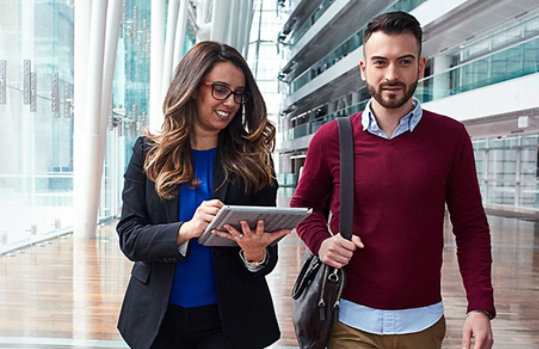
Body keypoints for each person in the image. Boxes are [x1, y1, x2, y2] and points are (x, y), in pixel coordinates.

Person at [290, 11, 495, 349]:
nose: (391, 74)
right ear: (363, 69)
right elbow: (303, 206)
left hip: (423, 324)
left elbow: (471, 226)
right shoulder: (332, 137)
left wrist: (479, 307)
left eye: (404, 61)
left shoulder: (451, 137)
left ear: (421, 66)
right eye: (380, 62)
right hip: (346, 322)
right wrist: (321, 242)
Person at [116, 41, 290, 349]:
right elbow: (130, 237)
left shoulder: (255, 161)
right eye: (220, 89)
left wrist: (255, 254)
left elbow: (267, 257)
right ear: (193, 87)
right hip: (158, 318)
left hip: (228, 322)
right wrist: (186, 230)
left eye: (238, 93)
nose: (231, 102)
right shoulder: (148, 153)